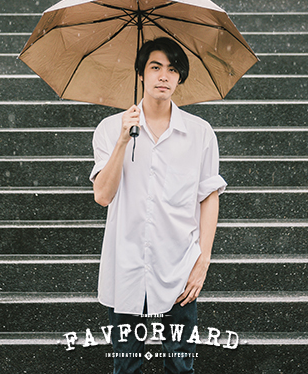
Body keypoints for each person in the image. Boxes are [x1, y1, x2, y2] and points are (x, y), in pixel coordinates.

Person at [90, 37, 227, 374]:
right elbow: (103, 195)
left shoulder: (200, 133)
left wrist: (202, 260)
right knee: (126, 366)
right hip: (126, 264)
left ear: (180, 78)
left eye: (173, 69)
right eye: (155, 67)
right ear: (141, 73)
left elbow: (209, 196)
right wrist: (123, 140)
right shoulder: (110, 129)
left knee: (181, 365)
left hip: (179, 264)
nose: (164, 76)